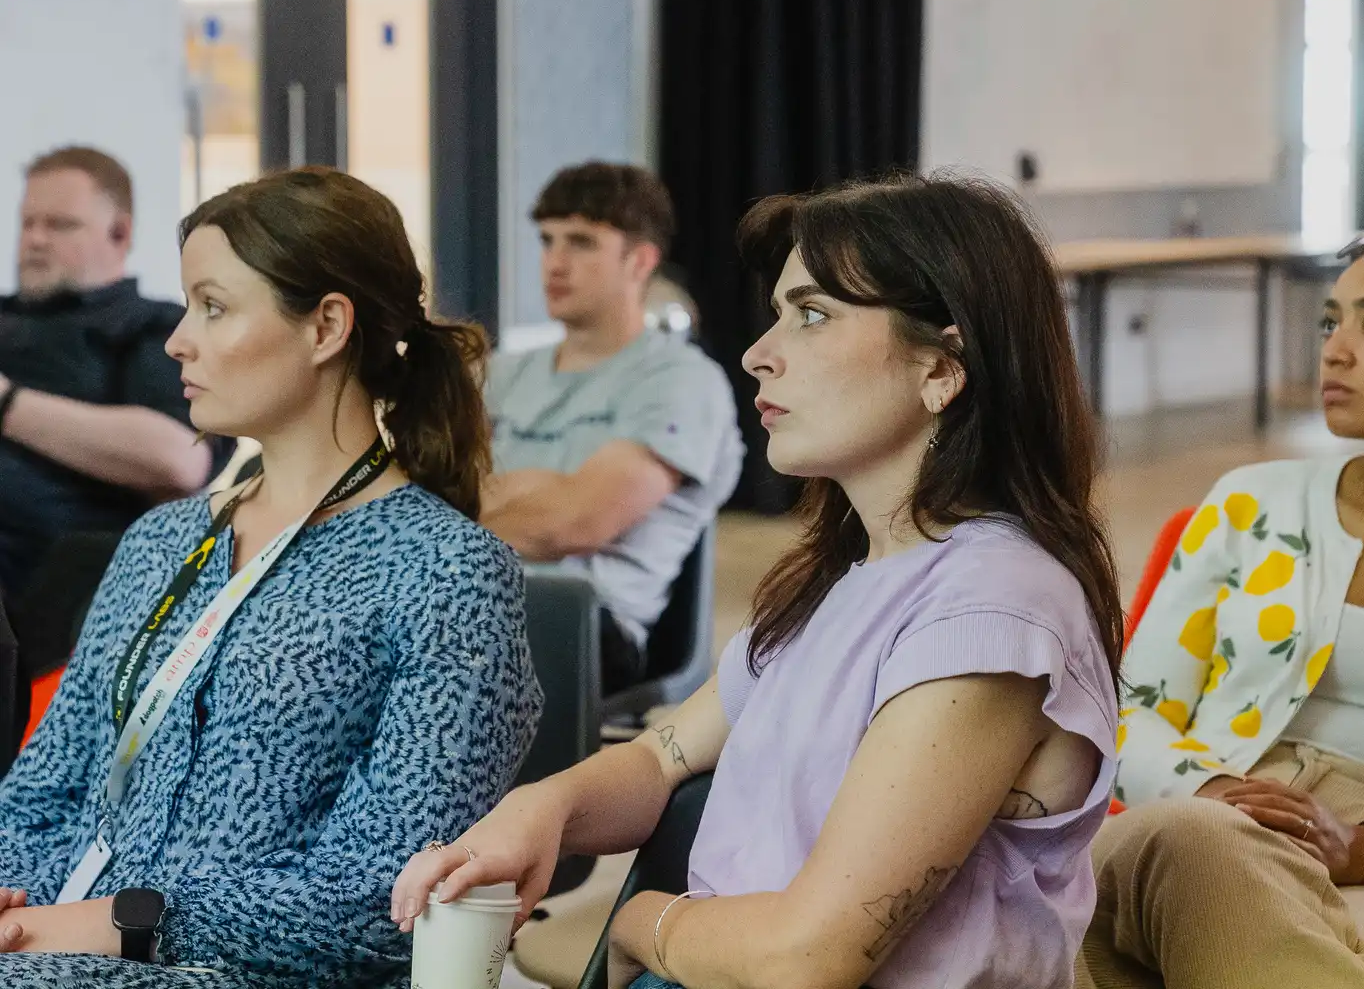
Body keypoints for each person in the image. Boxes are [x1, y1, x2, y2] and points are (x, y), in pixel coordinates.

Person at [394, 172, 1124, 989]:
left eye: (811, 315)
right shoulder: (841, 579)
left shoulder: (992, 607)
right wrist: (543, 809)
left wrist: (637, 923)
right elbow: (662, 756)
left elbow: (809, 956)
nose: (757, 354)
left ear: (941, 369)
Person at [0, 167, 541, 987]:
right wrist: (15, 906)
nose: (178, 340)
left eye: (213, 307)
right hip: (56, 950)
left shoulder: (448, 573)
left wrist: (110, 925)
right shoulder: (161, 541)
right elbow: (42, 789)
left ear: (326, 327)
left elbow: (378, 904)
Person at [1076, 243, 1364, 989]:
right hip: (1196, 812)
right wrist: (1205, 793)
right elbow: (1127, 710)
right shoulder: (1252, 503)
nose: (1336, 349)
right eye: (1331, 321)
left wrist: (1356, 848)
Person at [482, 162, 743, 694]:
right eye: (547, 240)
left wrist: (465, 508)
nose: (555, 263)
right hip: (476, 595)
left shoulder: (680, 380)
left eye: (581, 243)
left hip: (583, 624)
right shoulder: (502, 372)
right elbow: (424, 493)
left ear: (640, 261)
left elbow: (572, 524)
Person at [0, 148, 226, 640]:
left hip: (51, 589)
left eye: (59, 224)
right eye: (27, 222)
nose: (34, 239)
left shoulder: (155, 328)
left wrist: (7, 404)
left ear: (119, 233)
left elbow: (179, 458)